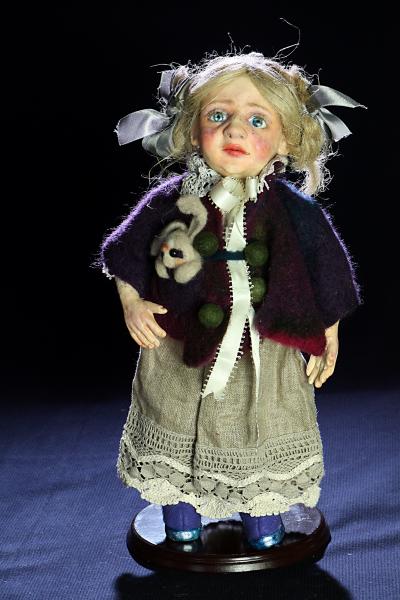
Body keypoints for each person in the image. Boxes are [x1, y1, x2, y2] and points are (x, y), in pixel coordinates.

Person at [99, 51, 364, 549]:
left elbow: (328, 274)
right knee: (173, 419)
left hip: (265, 353)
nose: (235, 130)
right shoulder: (173, 201)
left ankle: (262, 518)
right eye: (218, 115)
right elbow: (124, 254)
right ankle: (180, 515)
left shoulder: (293, 211)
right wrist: (132, 304)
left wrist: (328, 332)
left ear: (286, 139)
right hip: (178, 348)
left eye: (257, 120)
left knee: (262, 426)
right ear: (191, 130)